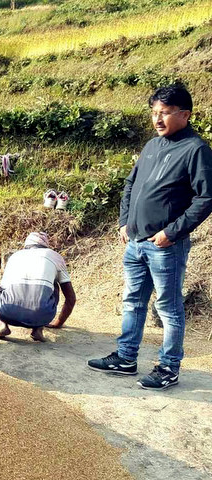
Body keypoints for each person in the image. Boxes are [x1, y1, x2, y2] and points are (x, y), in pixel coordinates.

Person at [88, 84, 212, 390]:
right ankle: (126, 357)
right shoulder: (152, 145)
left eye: (165, 113)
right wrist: (124, 222)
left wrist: (172, 232)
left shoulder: (195, 149)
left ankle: (169, 367)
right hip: (136, 242)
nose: (158, 120)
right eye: (154, 113)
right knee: (132, 302)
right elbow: (131, 185)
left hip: (165, 246)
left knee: (167, 308)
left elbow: (206, 198)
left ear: (185, 114)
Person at [0, 232, 76, 342]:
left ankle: (1, 324)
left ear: (26, 244)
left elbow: (4, 289)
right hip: (43, 317)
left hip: (7, 313)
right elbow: (70, 298)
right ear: (46, 244)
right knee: (54, 285)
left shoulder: (15, 256)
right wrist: (58, 323)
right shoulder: (55, 256)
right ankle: (38, 329)